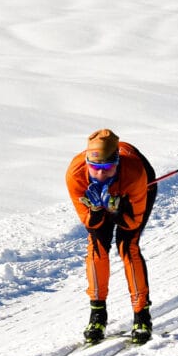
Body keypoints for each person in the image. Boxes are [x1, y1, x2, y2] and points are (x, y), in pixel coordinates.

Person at [66, 129, 157, 344]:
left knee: (128, 246)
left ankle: (142, 315)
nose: (100, 174)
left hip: (134, 189)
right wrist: (97, 209)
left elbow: (132, 222)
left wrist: (117, 210)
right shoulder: (76, 175)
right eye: (95, 167)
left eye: (107, 168)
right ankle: (97, 314)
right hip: (105, 199)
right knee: (97, 245)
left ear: (117, 162)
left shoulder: (134, 173)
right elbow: (91, 224)